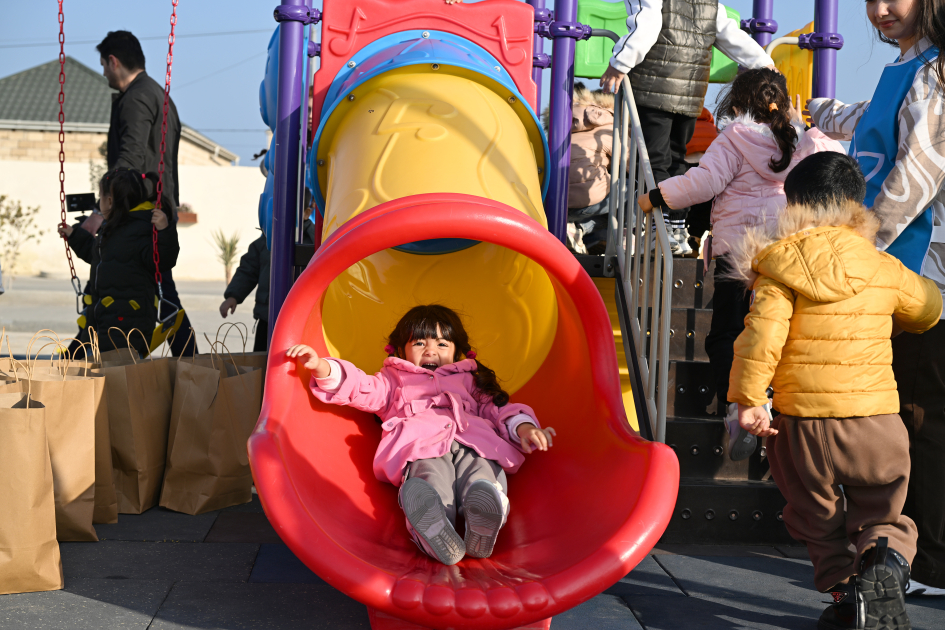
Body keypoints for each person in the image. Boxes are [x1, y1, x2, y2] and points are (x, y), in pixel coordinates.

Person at [727, 152, 942, 630]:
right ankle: (883, 566)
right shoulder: (881, 266)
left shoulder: (777, 265)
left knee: (813, 515)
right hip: (875, 423)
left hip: (800, 427)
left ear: (792, 202)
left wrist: (746, 401)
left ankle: (846, 594)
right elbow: (928, 308)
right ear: (855, 204)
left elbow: (761, 336)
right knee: (884, 510)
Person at [806, 0, 945, 598]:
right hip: (900, 270)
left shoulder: (936, 73)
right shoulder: (909, 68)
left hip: (928, 270)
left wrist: (854, 250)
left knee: (922, 416)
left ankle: (929, 560)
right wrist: (814, 111)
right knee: (905, 417)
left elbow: (914, 178)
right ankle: (903, 552)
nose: (880, 9)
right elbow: (864, 118)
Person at [638, 68, 843, 458]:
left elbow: (703, 183)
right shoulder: (800, 139)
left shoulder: (734, 138)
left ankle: (736, 409)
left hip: (739, 253)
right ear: (781, 103)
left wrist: (655, 197)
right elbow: (830, 164)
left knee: (728, 331)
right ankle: (773, 406)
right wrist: (804, 128)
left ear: (736, 104)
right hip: (786, 252)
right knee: (775, 328)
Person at [286, 305, 556, 565]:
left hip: (476, 444)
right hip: (421, 447)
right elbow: (361, 387)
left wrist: (524, 428)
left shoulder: (471, 380)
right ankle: (432, 528)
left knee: (483, 474)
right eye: (419, 343)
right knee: (427, 481)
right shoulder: (393, 381)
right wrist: (322, 367)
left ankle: (485, 514)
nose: (431, 351)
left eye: (442, 344)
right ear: (401, 349)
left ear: (459, 352)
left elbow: (498, 409)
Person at [600, 1, 775, 255]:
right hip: (691, 95)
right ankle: (677, 229)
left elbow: (647, 23)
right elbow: (730, 35)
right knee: (676, 159)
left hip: (653, 90)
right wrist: (764, 62)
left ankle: (656, 230)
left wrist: (619, 62)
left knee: (651, 162)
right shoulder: (709, 3)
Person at [97, 30, 196, 356]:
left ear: (114, 61)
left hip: (139, 213)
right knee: (162, 292)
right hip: (156, 208)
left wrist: (107, 205)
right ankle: (190, 364)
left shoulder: (136, 98)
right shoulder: (158, 94)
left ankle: (187, 364)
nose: (104, 73)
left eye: (103, 65)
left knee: (143, 290)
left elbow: (131, 157)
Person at [58, 168, 180, 357]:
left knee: (124, 371)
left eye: (100, 197)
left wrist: (165, 230)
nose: (99, 202)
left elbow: (162, 260)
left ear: (109, 201)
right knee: (99, 370)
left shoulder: (142, 230)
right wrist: (75, 236)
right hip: (103, 319)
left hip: (131, 321)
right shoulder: (110, 229)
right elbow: (95, 255)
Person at [556, 82, 615, 255]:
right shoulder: (609, 128)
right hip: (585, 202)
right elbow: (630, 164)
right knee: (629, 188)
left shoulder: (559, 130)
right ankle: (627, 235)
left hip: (553, 204)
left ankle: (577, 232)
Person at [220, 233, 270, 352]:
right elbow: (248, 270)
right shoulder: (266, 240)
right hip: (267, 317)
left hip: (301, 319)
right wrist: (233, 296)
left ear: (308, 213)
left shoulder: (313, 236)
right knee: (262, 362)